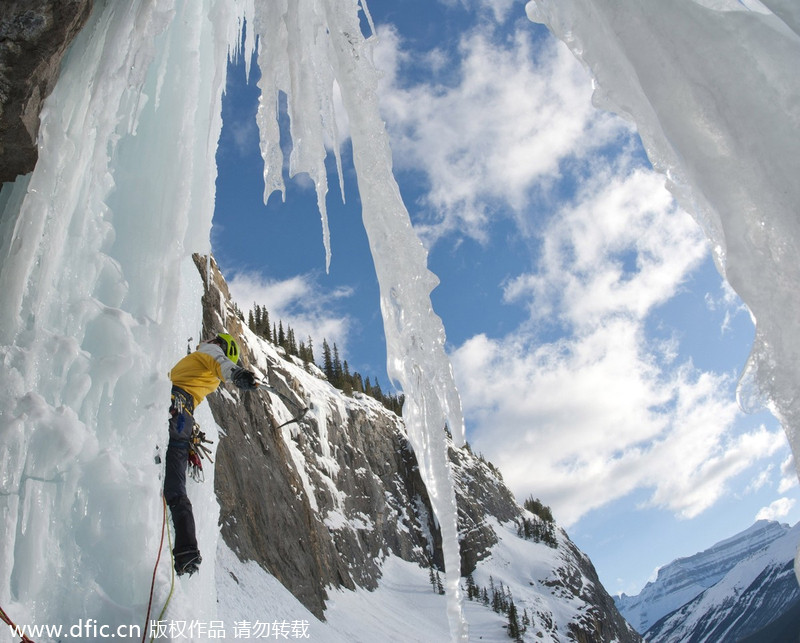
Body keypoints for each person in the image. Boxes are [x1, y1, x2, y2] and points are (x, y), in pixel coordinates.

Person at [165, 332, 259, 576]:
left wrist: (237, 374)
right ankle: (187, 550)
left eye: (214, 338)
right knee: (175, 488)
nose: (207, 338)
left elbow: (222, 363)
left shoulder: (210, 353)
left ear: (220, 345)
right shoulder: (209, 374)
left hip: (175, 405)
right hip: (184, 415)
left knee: (172, 480)